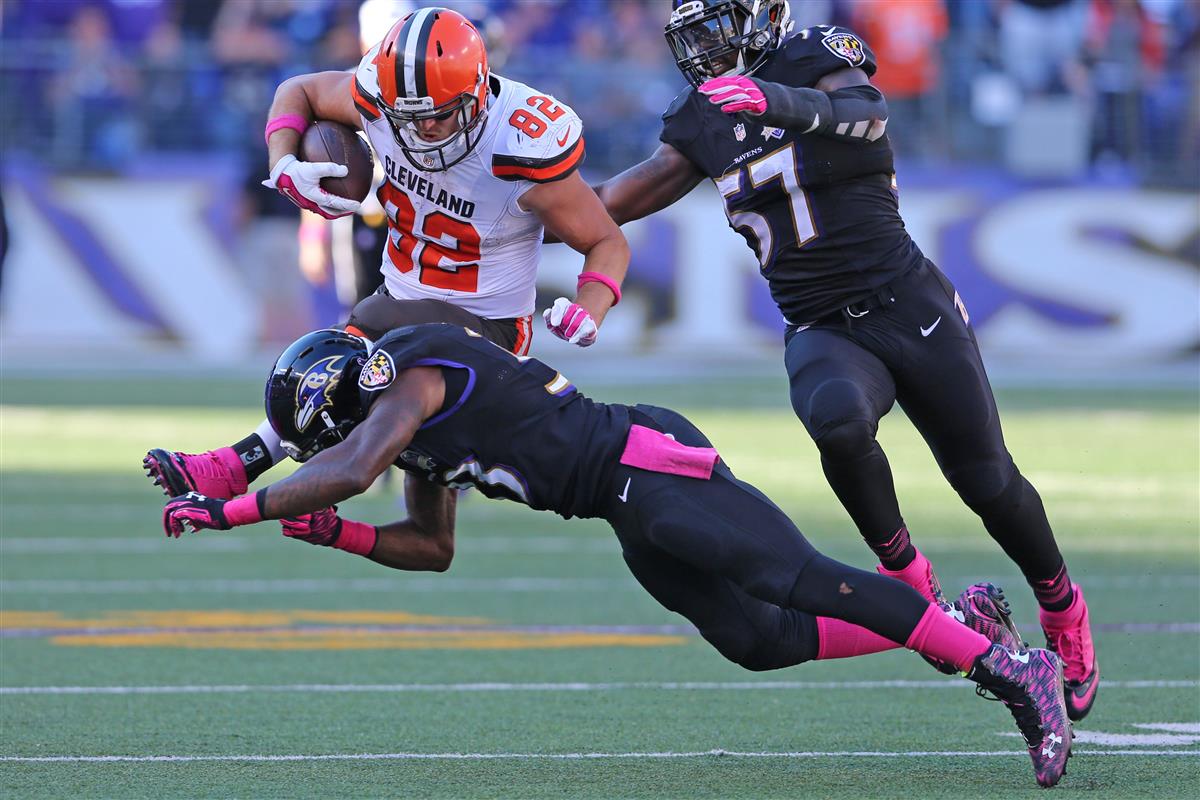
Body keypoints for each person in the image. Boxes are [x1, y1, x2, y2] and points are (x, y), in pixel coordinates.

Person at [157, 323, 1073, 788]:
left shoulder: (411, 378)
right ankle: (957, 624)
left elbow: (351, 466)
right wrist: (343, 537)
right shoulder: (405, 429)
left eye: (327, 438)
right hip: (618, 502)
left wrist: (232, 509)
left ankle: (1008, 668)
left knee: (793, 580)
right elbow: (431, 548)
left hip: (643, 466)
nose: (329, 452)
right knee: (758, 639)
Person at [574, 0, 1097, 720]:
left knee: (988, 482)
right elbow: (619, 198)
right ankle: (909, 576)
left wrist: (772, 100)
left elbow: (867, 112)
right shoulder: (701, 115)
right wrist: (528, 215)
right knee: (837, 420)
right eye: (692, 34)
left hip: (908, 303)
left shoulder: (812, 56)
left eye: (717, 26)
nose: (703, 47)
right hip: (822, 324)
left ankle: (1063, 610)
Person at [143, 7, 628, 501]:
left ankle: (256, 489)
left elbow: (605, 240)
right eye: (410, 117)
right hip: (399, 300)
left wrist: (591, 308)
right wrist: (284, 161)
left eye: (440, 114)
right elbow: (300, 90)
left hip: (487, 325)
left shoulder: (518, 144)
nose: (425, 130)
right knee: (317, 370)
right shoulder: (379, 100)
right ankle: (248, 467)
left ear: (478, 94)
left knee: (354, 360)